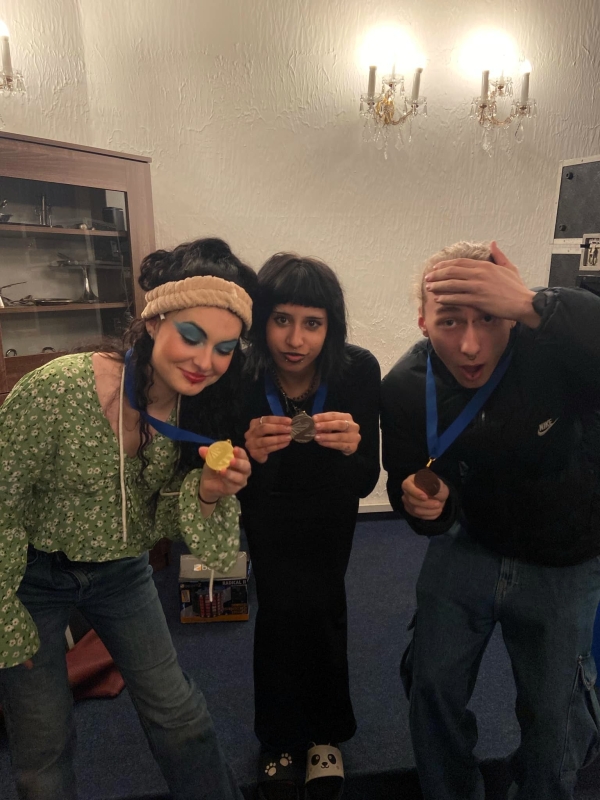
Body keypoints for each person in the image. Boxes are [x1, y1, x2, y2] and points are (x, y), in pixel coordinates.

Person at [0, 237, 257, 800]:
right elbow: (2, 500)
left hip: (123, 573)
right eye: (191, 336)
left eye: (223, 348)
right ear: (155, 319)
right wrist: (3, 612)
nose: (205, 362)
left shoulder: (203, 405)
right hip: (31, 579)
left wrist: (208, 492)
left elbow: (164, 520)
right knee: (43, 745)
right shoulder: (58, 388)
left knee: (181, 716)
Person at [380, 240, 600, 800]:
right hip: (470, 540)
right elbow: (410, 482)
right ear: (423, 322)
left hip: (564, 552)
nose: (471, 345)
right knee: (430, 684)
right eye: (450, 321)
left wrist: (535, 304)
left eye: (489, 318)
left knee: (554, 712)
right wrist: (427, 509)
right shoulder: (406, 385)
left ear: (513, 315)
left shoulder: (556, 353)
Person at [239, 253, 380, 800]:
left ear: (331, 326)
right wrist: (249, 456)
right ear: (262, 320)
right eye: (282, 319)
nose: (295, 339)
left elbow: (365, 480)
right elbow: (231, 485)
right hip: (267, 511)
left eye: (312, 323)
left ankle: (326, 733)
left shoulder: (356, 370)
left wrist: (351, 450)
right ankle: (277, 737)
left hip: (330, 512)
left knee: (324, 610)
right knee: (277, 613)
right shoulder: (242, 373)